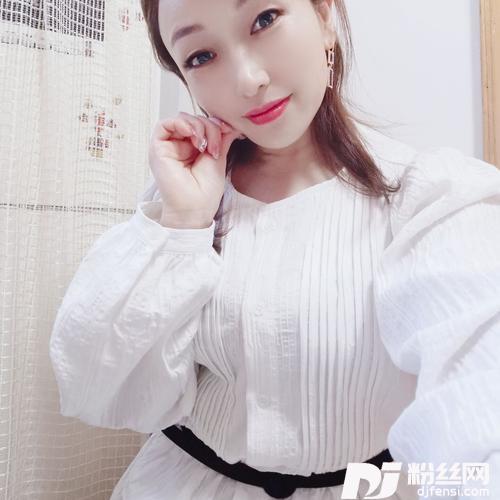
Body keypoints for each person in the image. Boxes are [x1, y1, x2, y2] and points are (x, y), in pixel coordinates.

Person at [49, 0, 500, 498]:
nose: (248, 80)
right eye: (201, 56)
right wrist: (183, 223)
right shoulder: (186, 199)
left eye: (264, 20)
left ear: (324, 16)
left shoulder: (431, 199)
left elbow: (479, 403)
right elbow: (91, 387)